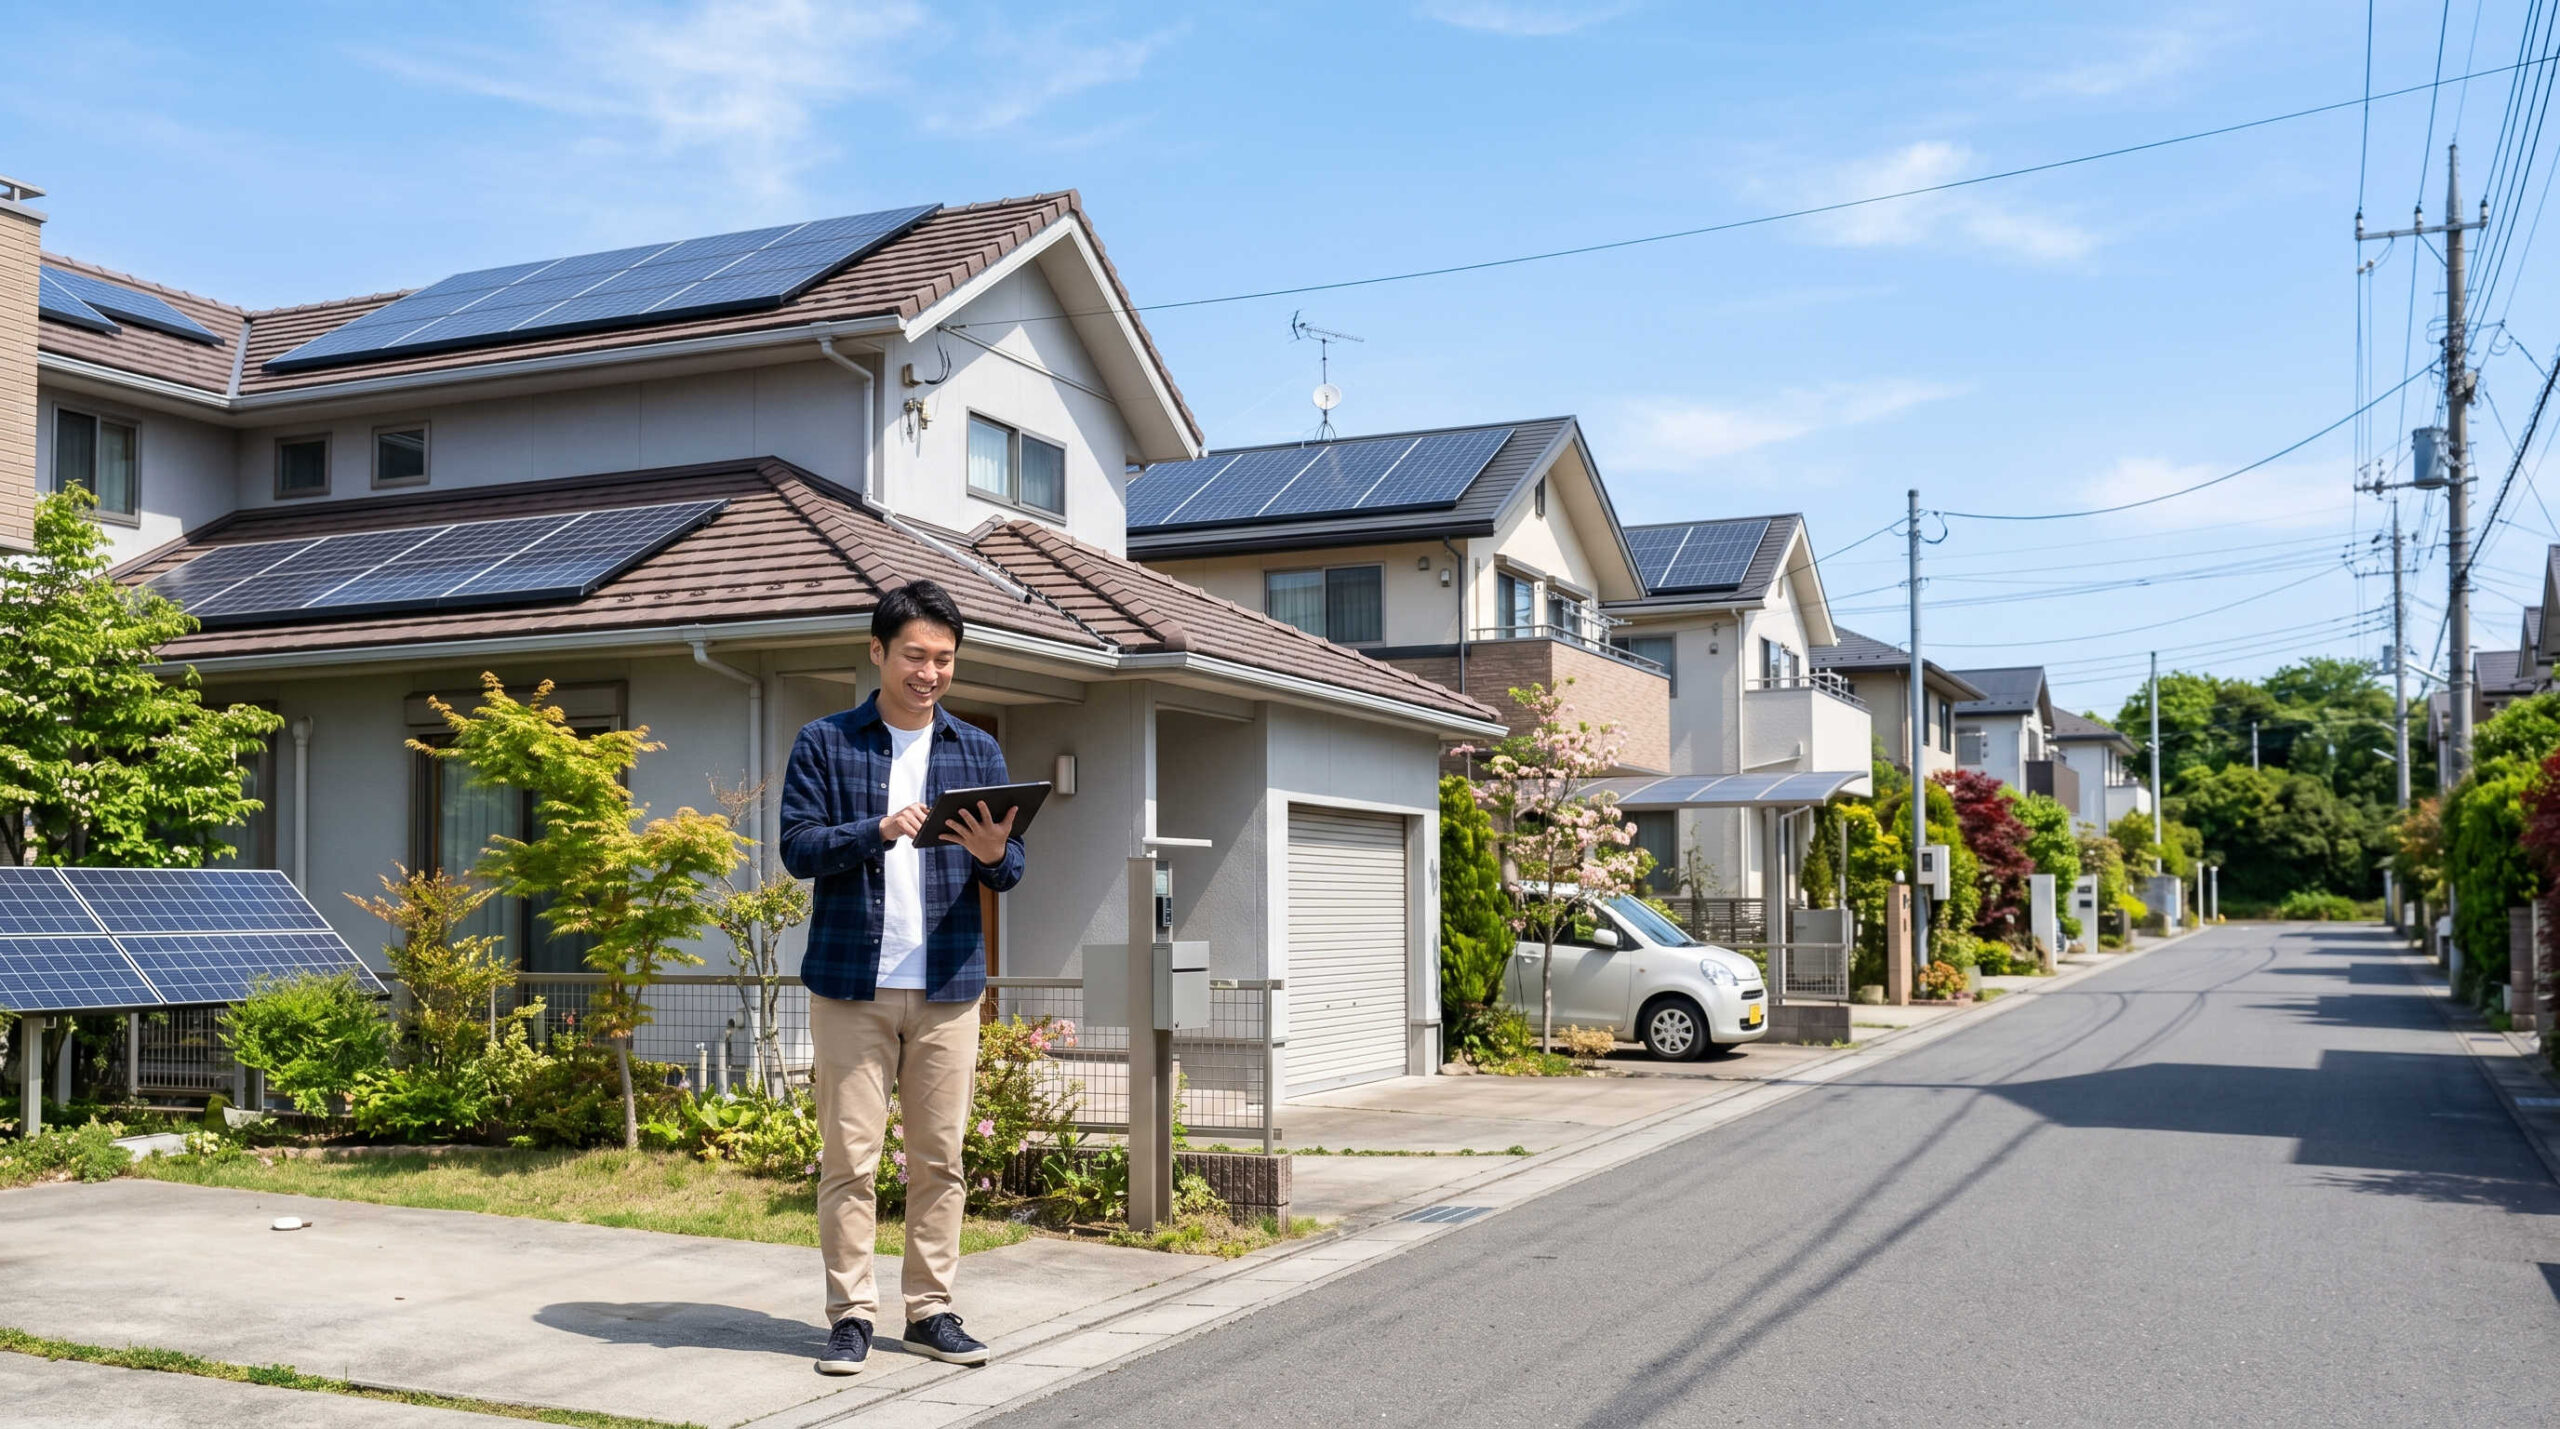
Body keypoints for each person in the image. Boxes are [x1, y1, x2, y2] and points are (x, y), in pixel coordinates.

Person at [780, 579, 1024, 1376]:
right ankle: (851, 1314)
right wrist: (875, 829)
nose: (930, 671)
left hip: (950, 984)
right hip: (852, 981)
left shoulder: (976, 749)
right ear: (878, 650)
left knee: (940, 1157)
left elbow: (1011, 866)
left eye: (944, 658)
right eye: (915, 654)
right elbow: (797, 848)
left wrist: (995, 856)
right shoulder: (827, 741)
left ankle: (930, 1310)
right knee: (849, 1158)